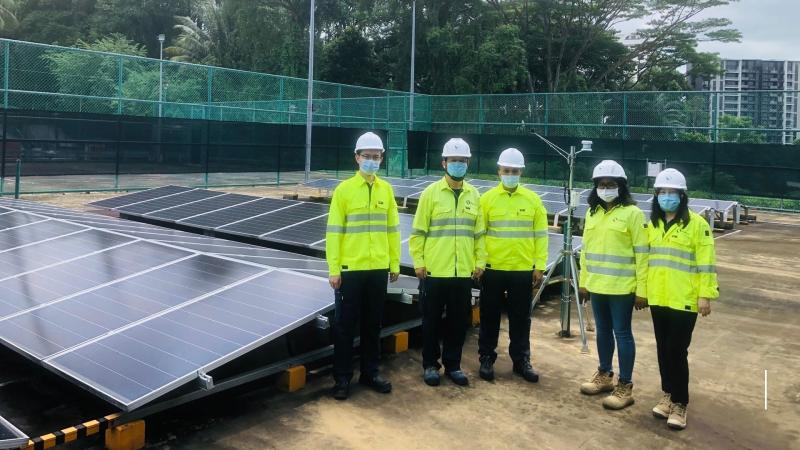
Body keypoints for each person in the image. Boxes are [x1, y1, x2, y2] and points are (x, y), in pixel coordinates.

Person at [326, 131, 401, 400]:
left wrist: (394, 263)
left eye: (376, 156)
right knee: (345, 327)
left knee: (373, 325)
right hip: (351, 271)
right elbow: (334, 232)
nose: (372, 160)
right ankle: (342, 379)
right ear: (357, 158)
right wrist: (334, 269)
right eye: (367, 156)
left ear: (382, 158)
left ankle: (370, 373)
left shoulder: (386, 190)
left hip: (378, 269)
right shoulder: (344, 190)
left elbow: (393, 229)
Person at [410, 137, 486, 387]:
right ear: (443, 162)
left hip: (462, 272)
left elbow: (479, 234)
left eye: (462, 160)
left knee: (458, 322)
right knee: (431, 321)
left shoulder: (474, 195)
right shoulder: (430, 194)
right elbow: (418, 232)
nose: (458, 164)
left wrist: (480, 261)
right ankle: (430, 365)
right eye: (454, 160)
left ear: (468, 163)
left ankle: (453, 365)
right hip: (434, 271)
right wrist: (419, 262)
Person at [646, 168, 719, 430]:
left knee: (677, 351)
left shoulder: (697, 225)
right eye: (662, 192)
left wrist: (705, 295)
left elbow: (706, 263)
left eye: (672, 192)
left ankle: (680, 402)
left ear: (682, 195)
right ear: (656, 195)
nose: (667, 197)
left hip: (684, 299)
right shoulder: (653, 225)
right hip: (658, 297)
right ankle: (667, 393)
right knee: (662, 349)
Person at [578, 160, 648, 410]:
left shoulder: (633, 214)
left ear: (621, 186)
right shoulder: (592, 213)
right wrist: (584, 282)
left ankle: (625, 385)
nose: (605, 188)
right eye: (601, 184)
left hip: (622, 287)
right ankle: (604, 375)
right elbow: (585, 251)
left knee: (622, 333)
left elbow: (642, 254)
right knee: (603, 331)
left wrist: (642, 290)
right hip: (597, 286)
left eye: (611, 184)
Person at [477, 148, 548, 383]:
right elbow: (479, 235)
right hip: (493, 269)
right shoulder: (486, 200)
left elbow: (541, 235)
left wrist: (539, 266)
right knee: (489, 317)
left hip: (522, 269)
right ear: (499, 171)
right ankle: (486, 358)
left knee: (521, 318)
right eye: (506, 170)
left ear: (521, 173)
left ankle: (521, 361)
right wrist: (479, 263)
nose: (510, 174)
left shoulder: (533, 200)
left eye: (514, 171)